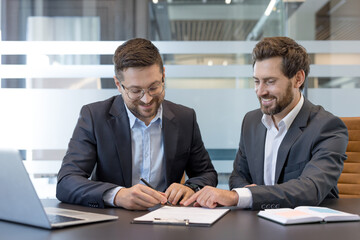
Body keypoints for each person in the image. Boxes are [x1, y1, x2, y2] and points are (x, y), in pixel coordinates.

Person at [184, 36, 348, 210]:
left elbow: (311, 188)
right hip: (258, 225)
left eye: (270, 82)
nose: (260, 91)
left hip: (308, 229)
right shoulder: (251, 121)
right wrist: (247, 194)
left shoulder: (327, 127)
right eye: (256, 81)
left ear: (298, 79)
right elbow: (238, 177)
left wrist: (247, 195)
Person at [56, 38, 217, 210]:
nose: (146, 99)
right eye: (135, 91)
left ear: (163, 75)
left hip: (168, 220)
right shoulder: (95, 117)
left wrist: (189, 188)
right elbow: (67, 182)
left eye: (153, 87)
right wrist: (117, 195)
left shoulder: (185, 117)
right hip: (113, 223)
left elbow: (206, 174)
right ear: (118, 84)